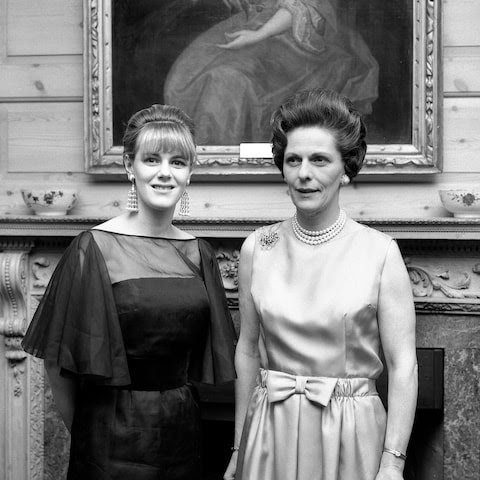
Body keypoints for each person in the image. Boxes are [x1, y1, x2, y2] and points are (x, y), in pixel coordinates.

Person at [22, 104, 237, 480]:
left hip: (182, 431)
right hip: (108, 437)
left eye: (177, 162)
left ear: (189, 173)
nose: (165, 173)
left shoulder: (199, 253)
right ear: (129, 166)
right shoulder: (94, 247)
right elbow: (58, 366)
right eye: (152, 159)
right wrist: (88, 437)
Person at [224, 88, 417, 480]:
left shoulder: (380, 253)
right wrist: (239, 448)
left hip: (351, 434)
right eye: (293, 160)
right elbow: (246, 351)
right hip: (269, 432)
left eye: (319, 160)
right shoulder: (257, 248)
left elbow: (403, 366)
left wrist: (392, 462)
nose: (303, 173)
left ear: (345, 168)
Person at [164, 0, 378, 145]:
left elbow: (310, 6)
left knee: (225, 80)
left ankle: (218, 156)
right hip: (251, 26)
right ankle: (207, 158)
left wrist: (259, 35)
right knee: (187, 77)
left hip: (296, 42)